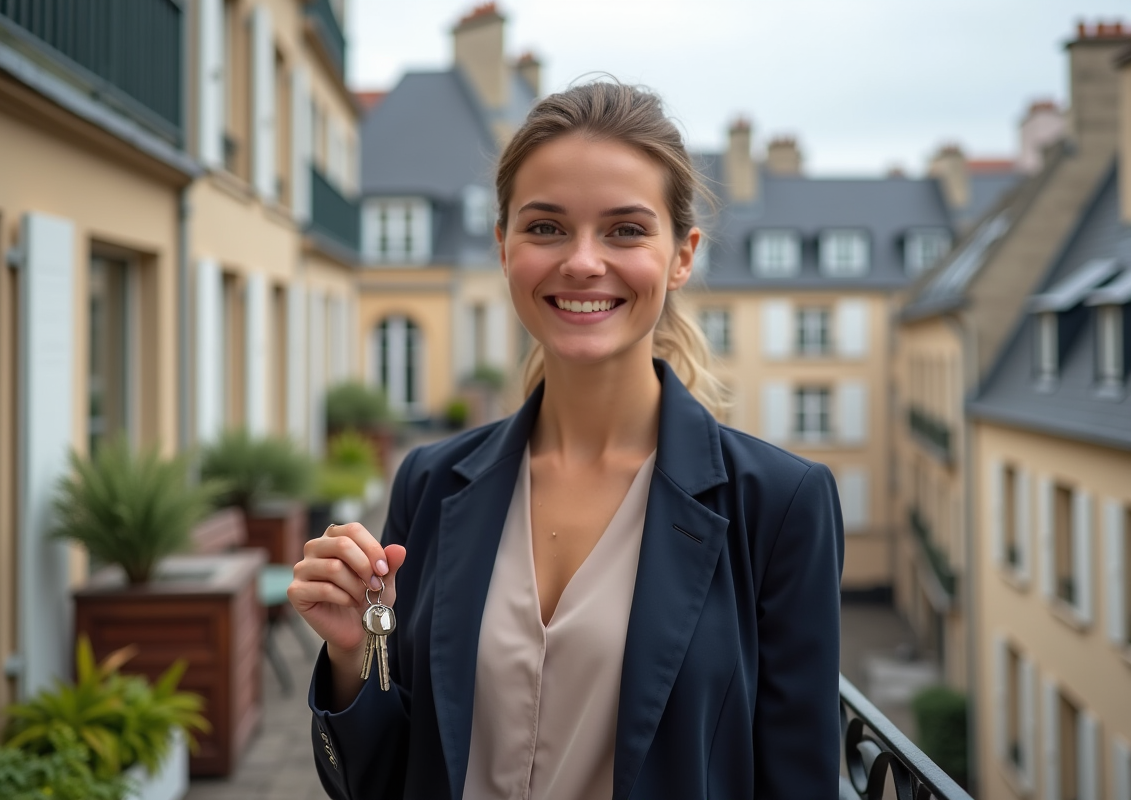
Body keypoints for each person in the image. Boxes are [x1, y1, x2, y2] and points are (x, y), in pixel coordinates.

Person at [288, 81, 845, 800]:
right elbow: (386, 780)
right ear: (504, 247)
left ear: (682, 257)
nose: (582, 261)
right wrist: (352, 655)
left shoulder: (781, 505)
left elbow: (797, 781)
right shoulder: (430, 481)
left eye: (626, 230)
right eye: (547, 227)